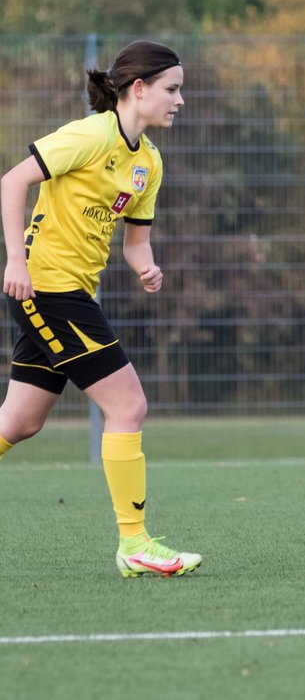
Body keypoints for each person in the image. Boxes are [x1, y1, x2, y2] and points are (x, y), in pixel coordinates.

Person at [0, 40, 202, 578]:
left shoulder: (148, 164)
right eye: (172, 89)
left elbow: (135, 243)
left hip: (71, 292)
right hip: (47, 287)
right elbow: (12, 181)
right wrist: (16, 261)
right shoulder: (91, 135)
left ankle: (135, 544)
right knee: (129, 406)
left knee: (20, 422)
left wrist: (146, 268)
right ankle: (135, 544)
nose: (180, 101)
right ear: (139, 89)